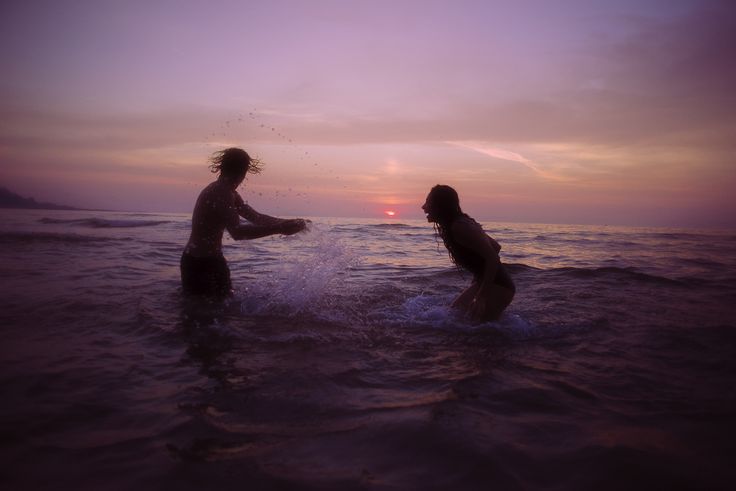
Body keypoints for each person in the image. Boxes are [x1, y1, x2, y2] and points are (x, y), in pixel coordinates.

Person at [181, 147, 307, 296]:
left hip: (211, 260)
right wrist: (278, 229)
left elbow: (256, 217)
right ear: (244, 171)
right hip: (199, 263)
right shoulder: (221, 192)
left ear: (222, 167)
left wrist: (288, 222)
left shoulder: (228, 191)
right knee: (203, 312)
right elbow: (237, 232)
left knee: (219, 309)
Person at [422, 184, 515, 321]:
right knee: (453, 316)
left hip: (499, 287)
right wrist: (479, 278)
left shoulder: (459, 227)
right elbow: (495, 246)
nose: (423, 207)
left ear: (440, 206)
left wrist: (481, 295)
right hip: (494, 284)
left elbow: (493, 257)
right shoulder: (459, 223)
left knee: (480, 334)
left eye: (428, 202)